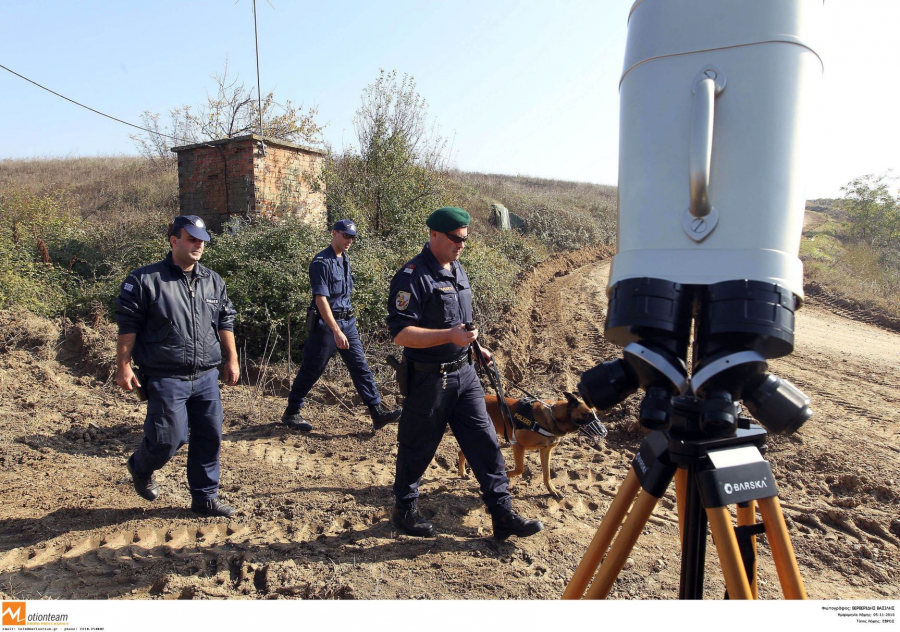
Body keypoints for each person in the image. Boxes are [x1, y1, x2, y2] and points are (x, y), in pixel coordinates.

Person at [385, 206, 544, 540]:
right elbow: (401, 334)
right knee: (418, 445)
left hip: (466, 373)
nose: (461, 245)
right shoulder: (413, 276)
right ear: (434, 235)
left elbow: (461, 322)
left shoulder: (456, 268)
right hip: (429, 379)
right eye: (455, 239)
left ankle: (502, 514)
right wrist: (449, 337)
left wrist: (476, 347)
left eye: (465, 239)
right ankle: (404, 509)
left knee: (485, 443)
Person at [115, 215, 239, 518]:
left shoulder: (213, 280)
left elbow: (225, 320)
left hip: (206, 375)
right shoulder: (145, 280)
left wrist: (232, 359)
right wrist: (123, 365)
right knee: (168, 438)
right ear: (174, 240)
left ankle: (205, 498)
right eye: (191, 239)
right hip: (166, 374)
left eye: (202, 240)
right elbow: (128, 325)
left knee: (209, 437)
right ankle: (140, 467)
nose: (198, 245)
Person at [282, 219, 401, 432]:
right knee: (313, 369)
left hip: (348, 322)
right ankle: (292, 412)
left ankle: (377, 412)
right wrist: (336, 330)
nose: (349, 241)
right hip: (326, 326)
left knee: (360, 366)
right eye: (346, 236)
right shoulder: (321, 262)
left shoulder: (345, 258)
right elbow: (321, 300)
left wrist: (345, 326)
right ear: (334, 233)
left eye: (352, 237)